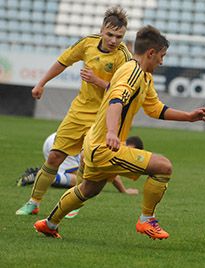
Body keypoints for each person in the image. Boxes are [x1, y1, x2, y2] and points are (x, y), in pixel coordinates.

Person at [33, 25, 205, 240]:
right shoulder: (133, 72)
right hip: (104, 146)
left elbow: (155, 109)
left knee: (89, 189)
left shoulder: (142, 75)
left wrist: (189, 116)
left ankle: (49, 224)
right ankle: (147, 221)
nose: (162, 62)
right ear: (151, 53)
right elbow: (116, 100)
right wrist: (111, 133)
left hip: (95, 143)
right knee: (163, 167)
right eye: (162, 56)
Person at [16, 7, 131, 215]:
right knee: (54, 157)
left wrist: (97, 81)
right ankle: (34, 202)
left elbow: (125, 93)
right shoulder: (87, 43)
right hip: (78, 111)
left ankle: (71, 205)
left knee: (87, 163)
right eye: (110, 34)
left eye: (119, 36)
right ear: (102, 30)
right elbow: (63, 62)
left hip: (103, 116)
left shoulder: (124, 57)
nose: (114, 40)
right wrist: (41, 83)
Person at [17, 133, 141, 195]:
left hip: (56, 138)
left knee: (81, 178)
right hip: (69, 144)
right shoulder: (116, 144)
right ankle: (40, 174)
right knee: (82, 183)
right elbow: (112, 174)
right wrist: (124, 191)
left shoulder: (114, 136)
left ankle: (46, 173)